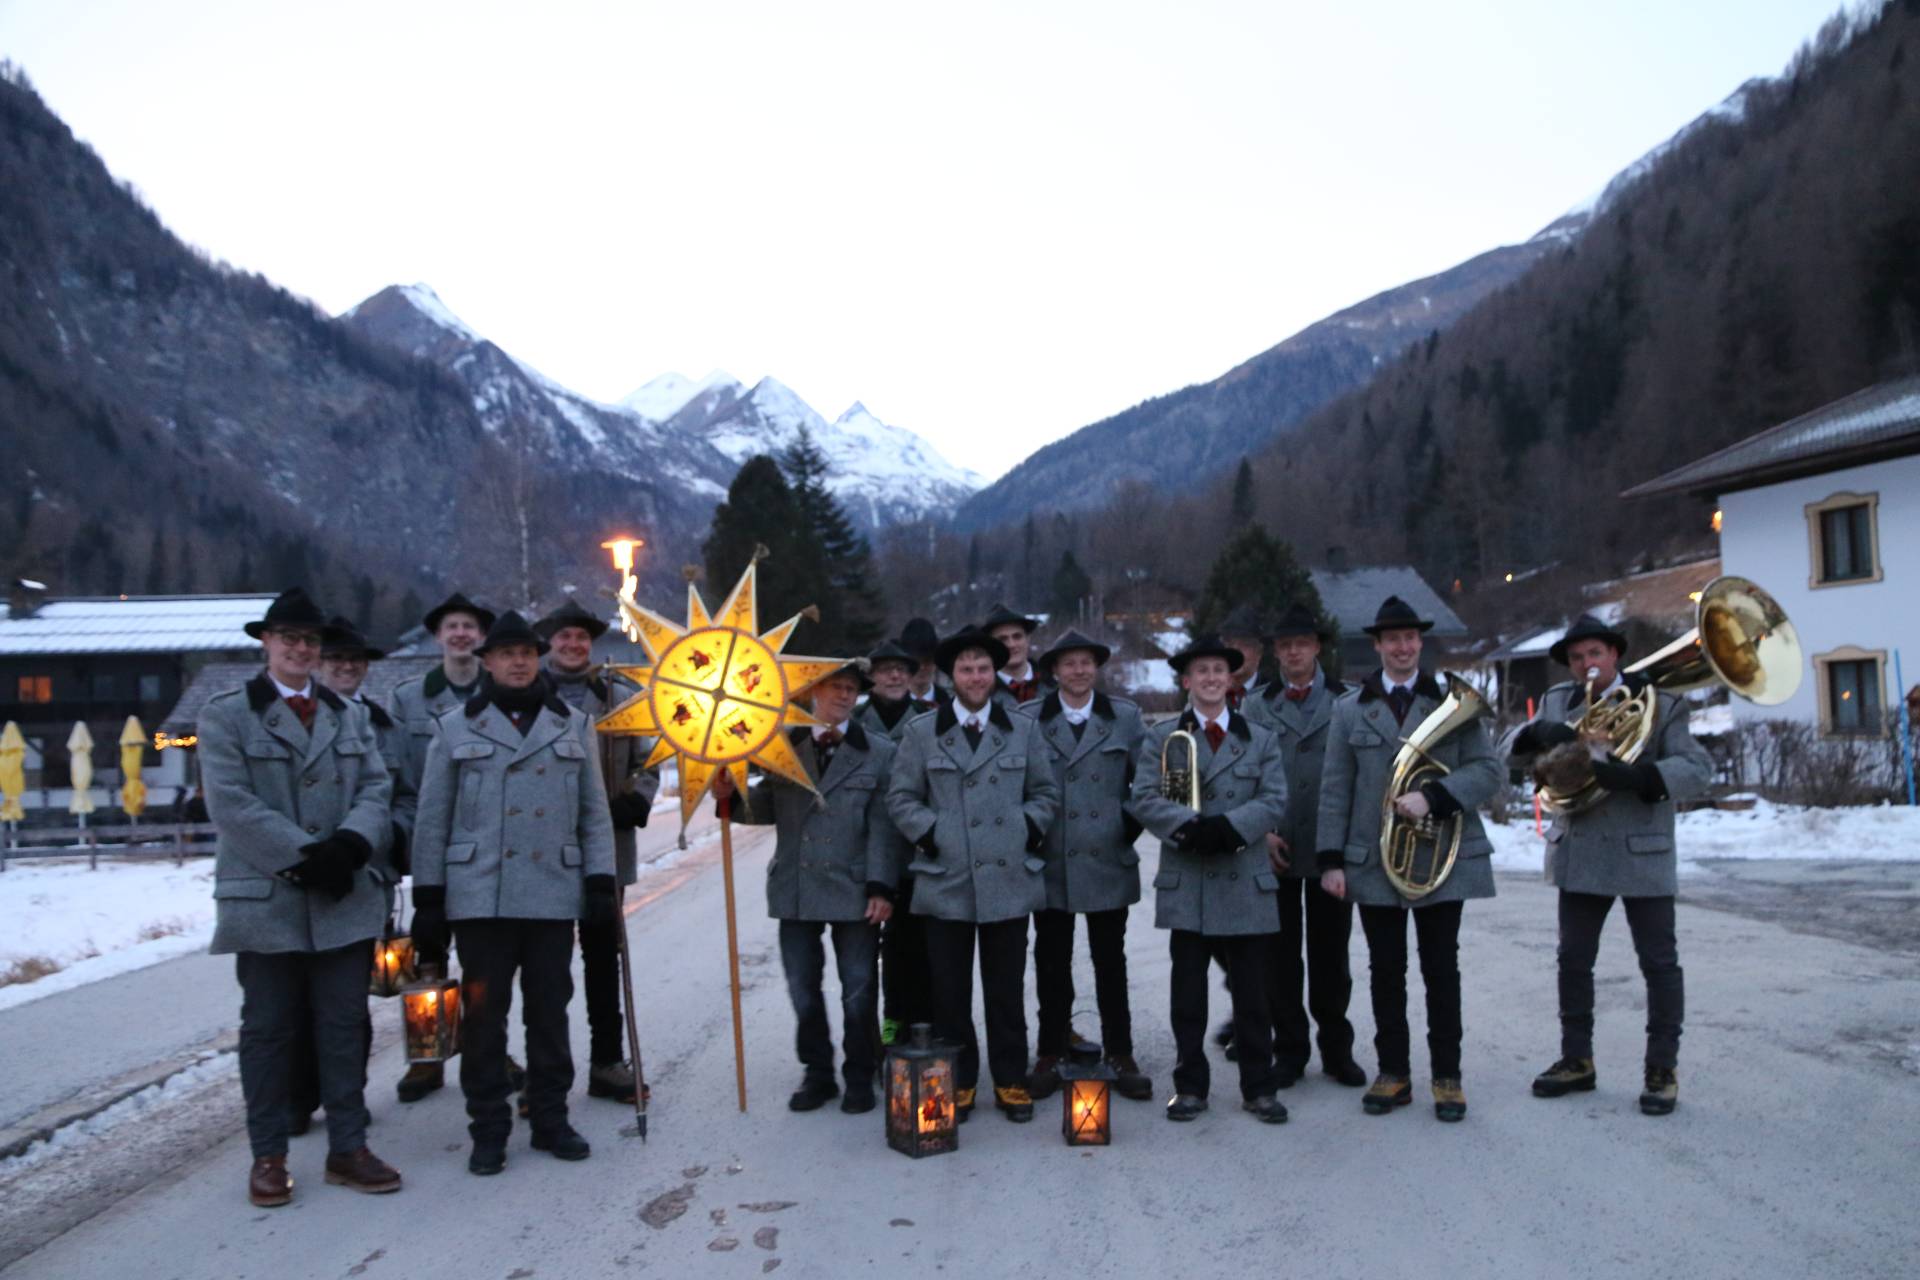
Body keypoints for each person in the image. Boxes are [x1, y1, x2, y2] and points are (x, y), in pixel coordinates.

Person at [199, 588, 401, 1207]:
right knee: (268, 1032)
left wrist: (349, 846)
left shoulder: (350, 715)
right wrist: (305, 857)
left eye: (309, 640)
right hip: (266, 900)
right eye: (288, 638)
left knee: (344, 1027)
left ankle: (348, 1147)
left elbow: (376, 787)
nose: (300, 649)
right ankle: (268, 1156)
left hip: (344, 895)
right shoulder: (225, 714)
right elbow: (231, 804)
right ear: (267, 643)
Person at [409, 611, 618, 1175]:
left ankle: (551, 1118)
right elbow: (433, 819)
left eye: (527, 652)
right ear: (488, 662)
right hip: (482, 896)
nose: (519, 662)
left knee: (550, 1013)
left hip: (552, 891)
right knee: (483, 1018)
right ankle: (489, 1128)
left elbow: (594, 816)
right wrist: (428, 899)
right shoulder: (455, 727)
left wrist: (600, 881)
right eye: (507, 654)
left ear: (539, 657)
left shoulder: (572, 724)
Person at [1505, 613, 1712, 1116]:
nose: (1585, 665)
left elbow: (1697, 769)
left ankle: (1661, 1070)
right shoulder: (1558, 701)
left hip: (1642, 848)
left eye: (1594, 654)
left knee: (1659, 964)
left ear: (1614, 655)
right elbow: (1507, 755)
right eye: (1576, 658)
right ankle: (1577, 1059)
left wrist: (1640, 777)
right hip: (1580, 848)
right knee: (1573, 961)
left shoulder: (1662, 702)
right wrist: (1537, 735)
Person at [1316, 596, 1500, 1123]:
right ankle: (1393, 1072)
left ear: (1420, 643)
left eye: (1410, 638)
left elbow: (1489, 771)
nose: (1402, 647)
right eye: (1391, 639)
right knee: (1385, 971)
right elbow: (1335, 789)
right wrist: (1331, 860)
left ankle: (1448, 1077)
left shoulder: (1451, 703)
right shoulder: (1348, 709)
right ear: (1376, 646)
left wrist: (1435, 797)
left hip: (1442, 857)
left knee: (1442, 969)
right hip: (1375, 861)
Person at [886, 627, 1061, 1122]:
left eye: (984, 668)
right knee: (949, 991)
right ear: (951, 675)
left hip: (1008, 879)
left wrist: (1027, 825)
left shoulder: (1023, 729)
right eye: (966, 669)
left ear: (994, 673)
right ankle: (957, 1082)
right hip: (946, 879)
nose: (977, 676)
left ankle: (1010, 1080)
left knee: (1005, 988)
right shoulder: (922, 732)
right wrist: (933, 831)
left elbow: (1045, 793)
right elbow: (901, 798)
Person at [714, 659, 903, 1113]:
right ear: (812, 693)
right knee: (802, 987)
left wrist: (881, 887)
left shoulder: (878, 752)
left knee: (858, 987)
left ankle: (860, 1073)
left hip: (855, 889)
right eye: (834, 687)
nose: (842, 696)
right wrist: (727, 790)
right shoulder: (782, 747)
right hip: (795, 888)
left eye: (850, 689)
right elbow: (759, 810)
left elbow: (884, 826)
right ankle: (817, 1072)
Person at [1129, 635, 1291, 1125]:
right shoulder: (1162, 738)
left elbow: (1274, 798)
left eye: (1219, 671)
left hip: (1244, 875)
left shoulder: (1259, 737)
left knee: (1251, 994)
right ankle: (1190, 1086)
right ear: (1186, 681)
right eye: (1201, 671)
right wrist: (1188, 829)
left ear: (1231, 679)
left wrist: (1231, 828)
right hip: (1190, 877)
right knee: (1188, 995)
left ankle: (1259, 1088)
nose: (1211, 679)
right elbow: (1143, 796)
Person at [283, 616, 407, 1136]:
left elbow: (399, 793)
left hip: (364, 871)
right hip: (297, 872)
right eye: (336, 660)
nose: (347, 667)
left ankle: (345, 1096)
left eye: (355, 661)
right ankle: (296, 1096)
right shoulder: (289, 718)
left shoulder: (382, 725)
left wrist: (384, 841)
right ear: (318, 664)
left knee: (349, 999)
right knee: (292, 998)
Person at [535, 597, 660, 1108]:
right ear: (550, 641)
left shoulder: (618, 695)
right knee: (546, 966)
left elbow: (652, 757)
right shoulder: (528, 697)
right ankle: (547, 1068)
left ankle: (607, 1061)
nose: (572, 644)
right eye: (564, 636)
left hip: (607, 846)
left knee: (603, 959)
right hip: (542, 852)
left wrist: (639, 795)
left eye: (581, 637)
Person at [1018, 629, 1152, 1102]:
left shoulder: (1126, 718)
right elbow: (1022, 787)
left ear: (1097, 669)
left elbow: (1148, 783)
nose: (1078, 671)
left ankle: (1121, 1051)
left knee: (1110, 962)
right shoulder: (1030, 719)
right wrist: (1032, 835)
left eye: (1086, 663)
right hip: (1050, 861)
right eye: (1068, 663)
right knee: (1051, 963)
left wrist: (1124, 826)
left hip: (1106, 858)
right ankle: (1050, 1052)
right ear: (1053, 671)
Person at [1241, 602, 1365, 1089]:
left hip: (1329, 848)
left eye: (1302, 644)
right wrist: (1260, 832)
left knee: (1332, 959)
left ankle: (1337, 1051)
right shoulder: (1255, 706)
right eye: (1285, 646)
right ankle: (1289, 1050)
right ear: (1276, 653)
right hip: (1275, 850)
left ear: (1317, 648)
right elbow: (1244, 772)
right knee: (1279, 960)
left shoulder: (1348, 700)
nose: (1294, 652)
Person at [387, 591, 501, 1104]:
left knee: (486, 963)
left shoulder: (501, 693)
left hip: (486, 847)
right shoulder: (408, 699)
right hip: (428, 845)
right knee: (427, 962)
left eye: (469, 627)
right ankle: (426, 1058)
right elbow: (394, 773)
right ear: (438, 636)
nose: (461, 635)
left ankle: (491, 1051)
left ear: (481, 639)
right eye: (452, 626)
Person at [855, 638, 935, 1045]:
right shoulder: (853, 723)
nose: (894, 675)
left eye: (902, 669)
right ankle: (882, 1038)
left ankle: (921, 1033)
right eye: (885, 668)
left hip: (917, 861)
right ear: (871, 675)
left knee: (915, 957)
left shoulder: (930, 720)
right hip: (862, 861)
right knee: (866, 966)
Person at [980, 603, 1044, 708]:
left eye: (1017, 637)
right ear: (990, 646)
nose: (1011, 645)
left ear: (1028, 639)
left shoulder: (1056, 688)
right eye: (1002, 639)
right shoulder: (980, 694)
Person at [898, 618, 949, 714]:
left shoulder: (951, 703)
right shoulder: (890, 704)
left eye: (927, 660)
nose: (922, 667)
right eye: (916, 661)